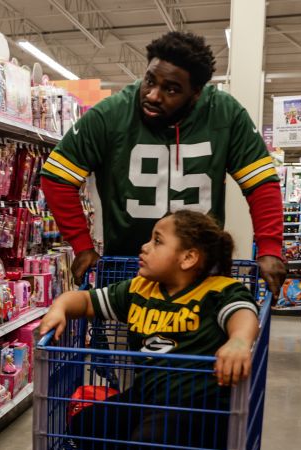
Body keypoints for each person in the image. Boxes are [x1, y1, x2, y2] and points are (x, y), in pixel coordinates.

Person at [37, 209, 259, 450]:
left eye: (157, 240)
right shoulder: (140, 289)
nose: (144, 247)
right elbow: (86, 301)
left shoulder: (218, 292)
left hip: (197, 407)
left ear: (188, 258)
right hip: (148, 397)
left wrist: (237, 342)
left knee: (150, 449)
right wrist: (60, 307)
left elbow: (243, 314)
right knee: (83, 428)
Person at [40, 31, 286, 296]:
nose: (153, 95)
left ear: (196, 93)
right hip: (128, 273)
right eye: (150, 80)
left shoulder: (225, 114)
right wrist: (82, 245)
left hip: (201, 275)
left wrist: (270, 248)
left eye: (171, 89)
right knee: (128, 336)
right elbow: (56, 177)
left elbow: (261, 183)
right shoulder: (111, 114)